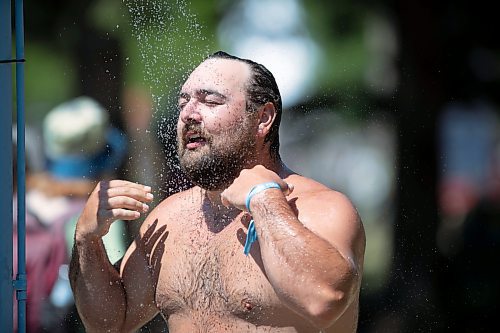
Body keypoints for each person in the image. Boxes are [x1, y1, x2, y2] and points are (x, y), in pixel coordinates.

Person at [69, 51, 366, 333]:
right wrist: (87, 239)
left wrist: (264, 200)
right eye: (183, 102)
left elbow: (325, 299)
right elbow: (109, 324)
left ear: (263, 118)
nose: (188, 114)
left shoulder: (320, 208)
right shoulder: (170, 219)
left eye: (210, 101)